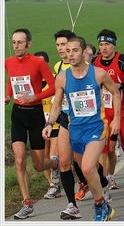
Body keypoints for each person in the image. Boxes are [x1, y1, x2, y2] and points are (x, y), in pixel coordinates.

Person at [42, 36, 120, 221]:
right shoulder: (62, 78)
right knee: (85, 168)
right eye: (67, 51)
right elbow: (57, 105)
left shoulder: (98, 74)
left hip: (96, 128)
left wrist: (116, 119)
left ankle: (100, 204)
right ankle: (102, 200)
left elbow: (116, 92)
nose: (70, 54)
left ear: (84, 52)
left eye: (74, 50)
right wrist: (48, 124)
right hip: (75, 130)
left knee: (86, 168)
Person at [5, 28, 59, 219]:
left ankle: (54, 164)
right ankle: (27, 203)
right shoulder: (8, 62)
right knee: (19, 160)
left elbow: (53, 87)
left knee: (37, 165)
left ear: (29, 44)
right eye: (14, 42)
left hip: (35, 115)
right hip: (18, 115)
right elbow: (11, 79)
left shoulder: (38, 63)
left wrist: (34, 97)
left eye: (20, 42)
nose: (16, 46)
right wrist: (8, 95)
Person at [94, 29, 124, 193]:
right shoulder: (96, 62)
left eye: (107, 44)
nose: (104, 48)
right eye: (101, 44)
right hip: (104, 112)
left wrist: (121, 85)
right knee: (104, 148)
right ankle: (105, 180)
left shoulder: (122, 60)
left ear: (113, 45)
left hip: (123, 111)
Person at [52, 29, 93, 219]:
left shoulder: (87, 68)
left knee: (84, 163)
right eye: (59, 46)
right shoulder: (58, 68)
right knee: (64, 162)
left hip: (87, 121)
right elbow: (57, 102)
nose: (63, 50)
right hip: (66, 119)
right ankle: (72, 205)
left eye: (66, 46)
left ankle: (103, 182)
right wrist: (48, 123)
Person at [34, 51, 61, 200]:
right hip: (39, 126)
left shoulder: (55, 80)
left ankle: (55, 187)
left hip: (55, 124)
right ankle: (52, 183)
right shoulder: (32, 82)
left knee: (53, 156)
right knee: (42, 159)